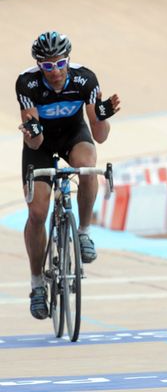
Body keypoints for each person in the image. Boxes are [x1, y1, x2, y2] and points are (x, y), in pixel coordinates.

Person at [15, 31, 121, 320]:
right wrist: (33, 134)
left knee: (87, 167)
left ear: (68, 60)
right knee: (37, 213)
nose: (56, 71)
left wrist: (100, 117)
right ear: (39, 65)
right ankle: (37, 284)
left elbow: (99, 138)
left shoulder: (85, 79)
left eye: (60, 63)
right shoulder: (28, 84)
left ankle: (84, 232)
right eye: (47, 66)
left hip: (74, 135)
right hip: (41, 145)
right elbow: (34, 143)